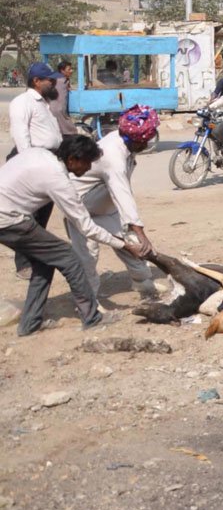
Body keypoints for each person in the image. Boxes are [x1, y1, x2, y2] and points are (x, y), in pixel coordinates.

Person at [0, 135, 147, 336]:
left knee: (44, 262)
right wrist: (124, 245)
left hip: (8, 215)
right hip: (9, 220)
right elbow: (87, 227)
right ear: (72, 160)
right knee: (70, 258)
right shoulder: (58, 179)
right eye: (86, 163)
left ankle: (30, 324)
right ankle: (92, 317)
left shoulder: (40, 153)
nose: (88, 169)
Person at [68, 106, 160, 297]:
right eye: (145, 142)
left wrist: (136, 234)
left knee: (132, 245)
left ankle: (143, 285)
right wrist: (142, 233)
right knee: (88, 256)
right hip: (81, 206)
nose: (146, 146)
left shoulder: (125, 143)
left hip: (104, 204)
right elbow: (122, 194)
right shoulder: (113, 156)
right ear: (136, 140)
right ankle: (88, 304)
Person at [8, 62, 64, 278]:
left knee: (42, 213)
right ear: (36, 81)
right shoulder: (23, 102)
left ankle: (36, 256)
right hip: (31, 162)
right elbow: (22, 137)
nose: (53, 82)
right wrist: (29, 167)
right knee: (27, 214)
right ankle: (23, 264)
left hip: (47, 160)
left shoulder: (44, 103)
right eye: (49, 80)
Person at [50, 61, 76, 136]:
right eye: (69, 69)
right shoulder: (59, 80)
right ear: (62, 70)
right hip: (58, 111)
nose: (71, 71)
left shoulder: (62, 79)